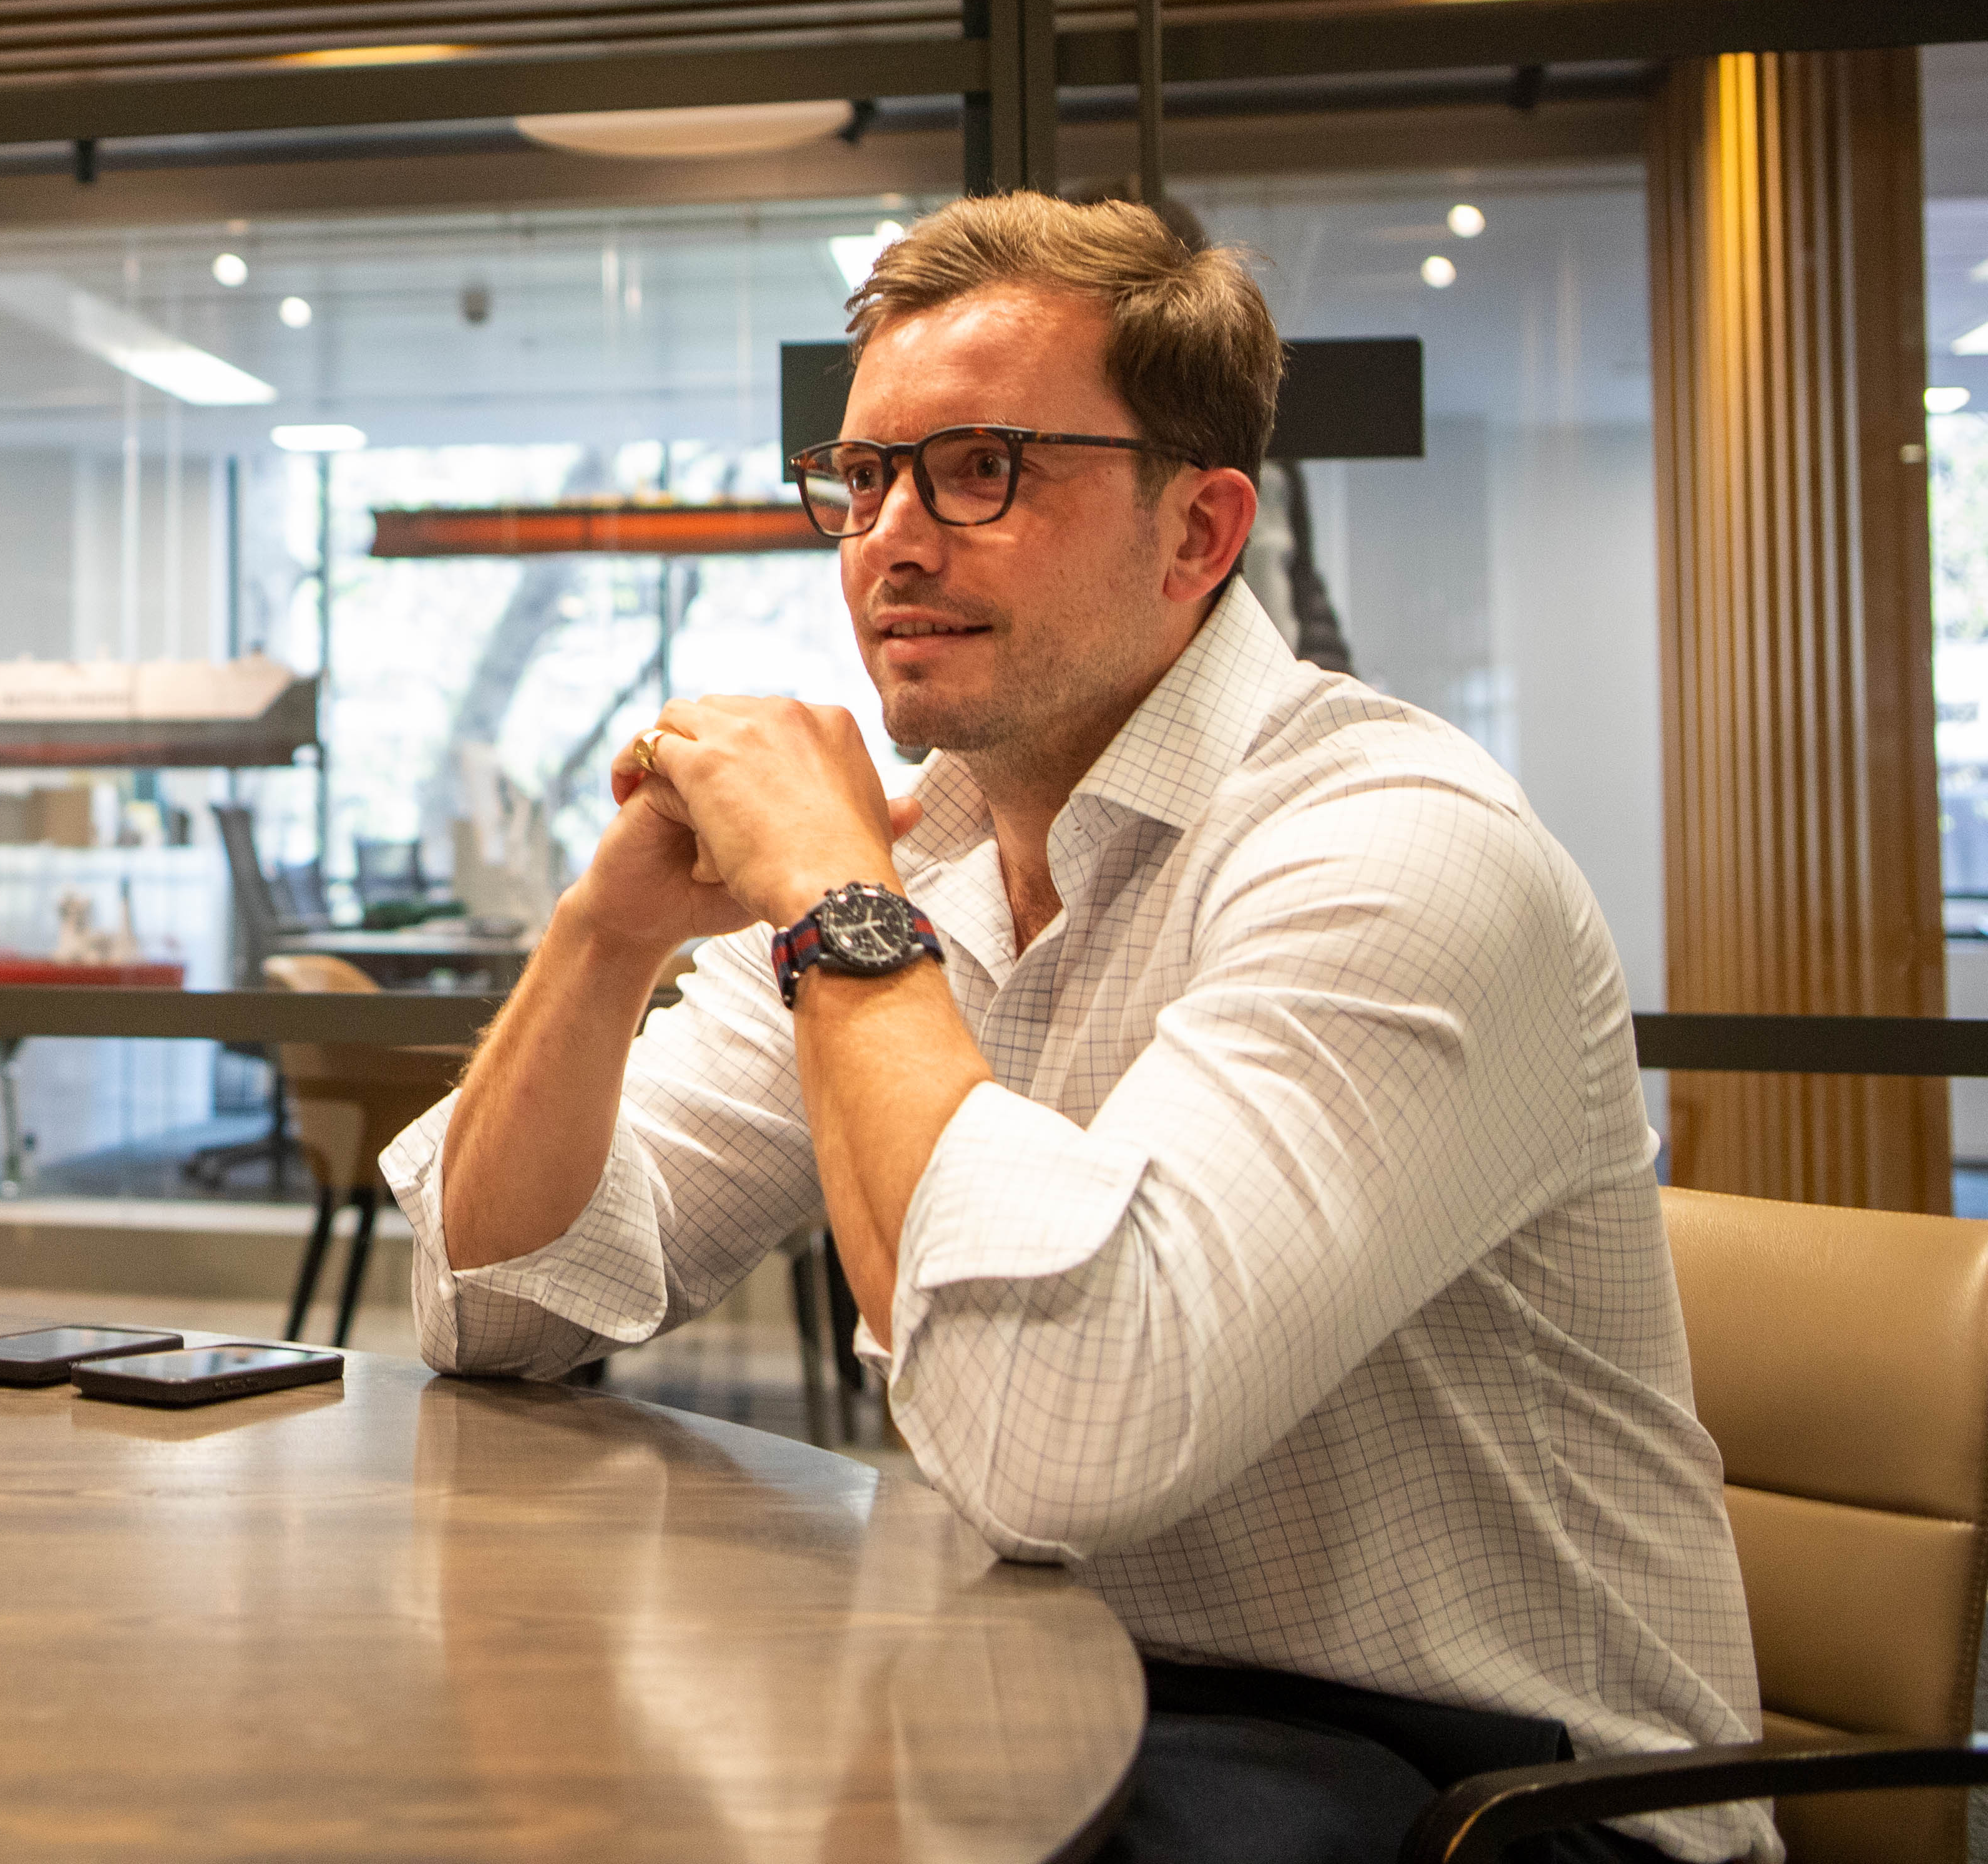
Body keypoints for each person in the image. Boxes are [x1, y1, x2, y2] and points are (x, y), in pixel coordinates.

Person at [383, 195, 1763, 1864]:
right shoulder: (924, 866)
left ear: (1199, 532)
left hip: (1512, 1803)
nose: (890, 543)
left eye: (983, 471)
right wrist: (603, 941)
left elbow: (1062, 1442)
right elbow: (496, 1308)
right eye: (863, 478)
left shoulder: (1396, 848)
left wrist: (833, 899)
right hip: (1092, 1701)